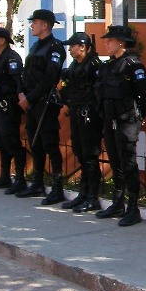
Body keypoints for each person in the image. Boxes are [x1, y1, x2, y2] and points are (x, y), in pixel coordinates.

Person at [94, 25, 146, 227]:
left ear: (121, 42)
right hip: (110, 120)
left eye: (110, 40)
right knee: (116, 162)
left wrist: (142, 116)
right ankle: (118, 203)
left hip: (127, 120)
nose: (106, 43)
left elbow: (144, 94)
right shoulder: (109, 66)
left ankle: (133, 208)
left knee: (128, 164)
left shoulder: (133, 65)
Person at [18, 9, 66, 204]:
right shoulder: (35, 47)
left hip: (44, 102)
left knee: (50, 144)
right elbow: (26, 73)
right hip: (30, 102)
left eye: (35, 22)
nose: (32, 26)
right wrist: (22, 94)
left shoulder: (55, 48)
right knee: (35, 143)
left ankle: (57, 187)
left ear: (45, 25)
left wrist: (29, 97)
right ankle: (38, 182)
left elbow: (49, 78)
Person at [59, 31, 103, 212]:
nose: (69, 49)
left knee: (90, 155)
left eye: (72, 46)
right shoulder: (75, 65)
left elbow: (98, 92)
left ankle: (93, 196)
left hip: (89, 114)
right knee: (79, 151)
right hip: (76, 111)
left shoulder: (94, 65)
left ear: (83, 47)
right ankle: (83, 194)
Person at [0, 27, 27, 194]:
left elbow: (17, 82)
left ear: (2, 40)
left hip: (7, 106)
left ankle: (20, 179)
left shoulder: (11, 58)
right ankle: (4, 176)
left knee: (11, 141)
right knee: (1, 142)